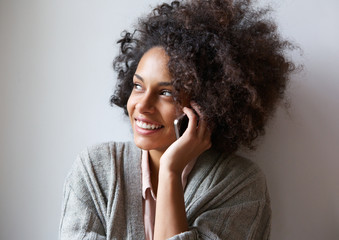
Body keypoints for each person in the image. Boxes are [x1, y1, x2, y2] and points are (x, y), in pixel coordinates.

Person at [59, 0, 296, 239]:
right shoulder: (95, 171)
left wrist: (170, 172)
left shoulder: (240, 185)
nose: (142, 105)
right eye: (138, 86)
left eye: (166, 93)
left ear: (205, 104)